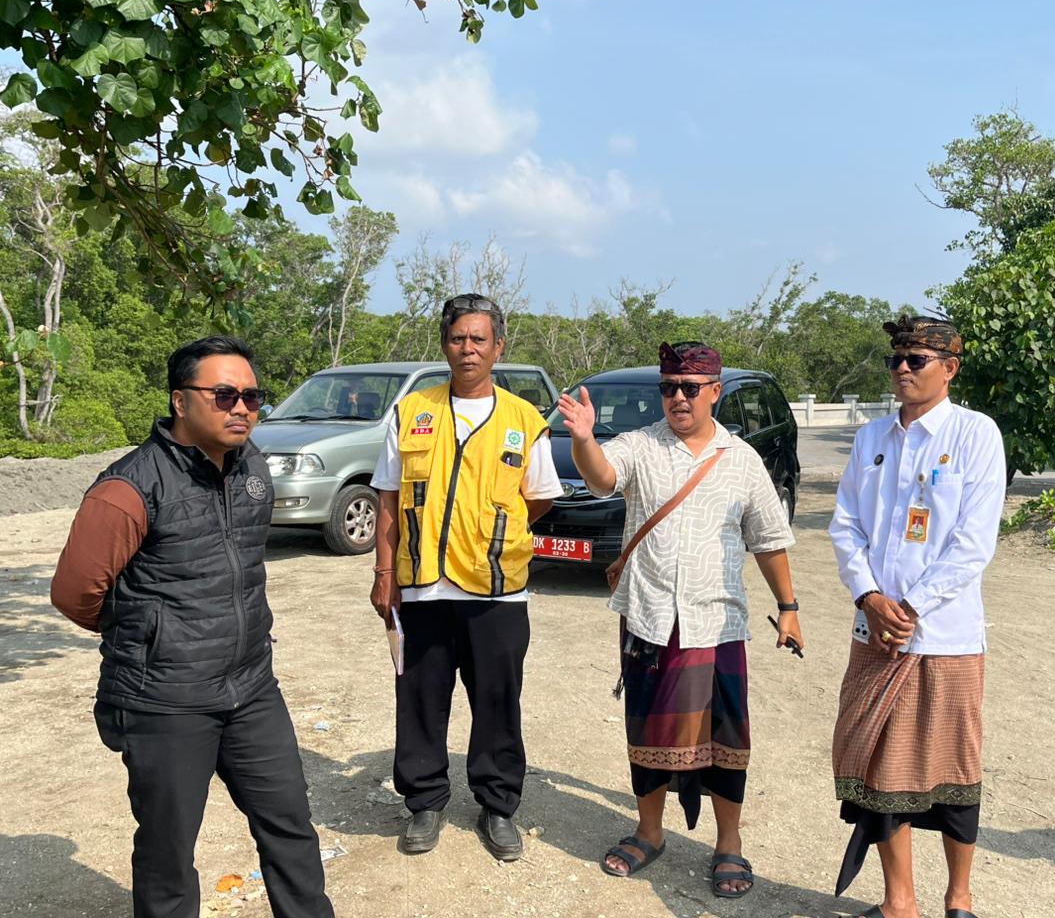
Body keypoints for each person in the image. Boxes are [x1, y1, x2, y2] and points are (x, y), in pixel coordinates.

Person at [50, 336, 334, 918]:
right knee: (168, 850)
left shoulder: (253, 465)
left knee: (291, 828)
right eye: (225, 394)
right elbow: (76, 593)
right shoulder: (127, 489)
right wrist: (152, 634)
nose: (243, 409)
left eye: (253, 397)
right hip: (166, 700)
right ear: (181, 401)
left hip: (252, 686)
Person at [557, 340, 804, 899]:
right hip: (650, 620)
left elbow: (768, 541)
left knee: (725, 742)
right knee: (647, 734)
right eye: (669, 388)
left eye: (690, 388)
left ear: (714, 391)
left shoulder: (741, 460)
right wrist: (583, 438)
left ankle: (729, 844)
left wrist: (788, 609)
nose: (678, 398)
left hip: (716, 626)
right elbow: (600, 479)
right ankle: (649, 832)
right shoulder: (641, 446)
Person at [368, 293, 561, 861]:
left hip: (497, 592)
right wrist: (384, 571)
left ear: (498, 347)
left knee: (498, 702)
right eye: (458, 338)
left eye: (479, 339)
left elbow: (539, 500)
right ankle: (425, 802)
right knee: (420, 699)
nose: (468, 348)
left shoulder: (524, 420)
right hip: (422, 586)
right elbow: (386, 496)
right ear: (444, 344)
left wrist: (493, 527)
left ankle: (498, 806)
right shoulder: (412, 412)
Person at [827, 315, 1006, 918]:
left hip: (946, 636)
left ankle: (960, 898)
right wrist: (869, 598)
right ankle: (899, 901)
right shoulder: (871, 437)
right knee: (882, 766)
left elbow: (973, 542)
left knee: (952, 766)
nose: (902, 369)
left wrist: (912, 606)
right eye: (896, 360)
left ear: (950, 368)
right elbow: (845, 524)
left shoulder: (976, 435)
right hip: (875, 632)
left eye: (917, 359)